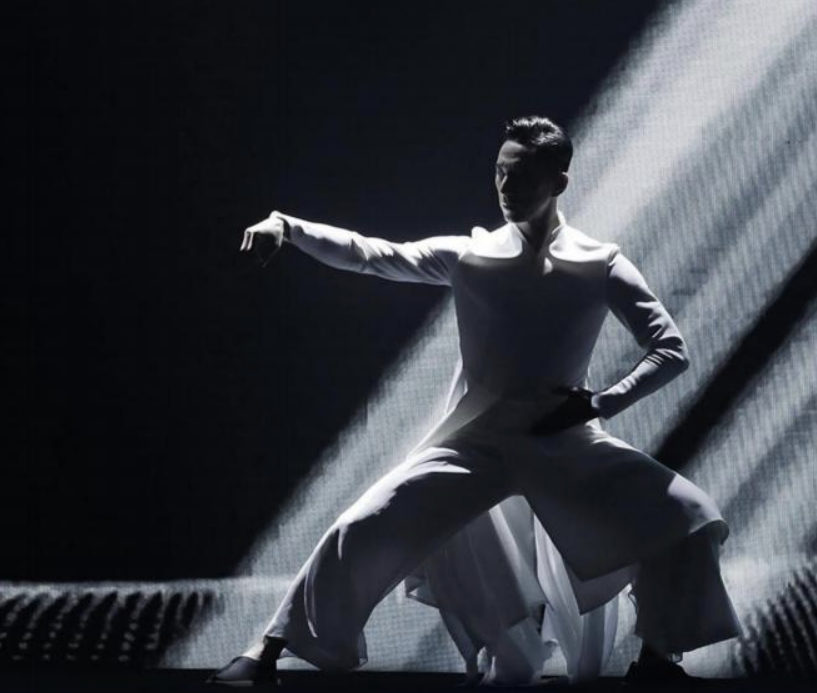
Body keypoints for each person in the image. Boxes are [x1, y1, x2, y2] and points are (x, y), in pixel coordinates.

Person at [209, 116, 742, 686]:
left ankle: (659, 663)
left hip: (563, 442)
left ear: (559, 182)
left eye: (522, 176)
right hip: (477, 444)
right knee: (362, 526)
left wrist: (599, 404)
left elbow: (670, 349)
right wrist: (286, 226)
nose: (506, 188)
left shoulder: (599, 262)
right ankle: (266, 650)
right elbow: (370, 254)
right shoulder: (469, 255)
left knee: (690, 517)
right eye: (500, 174)